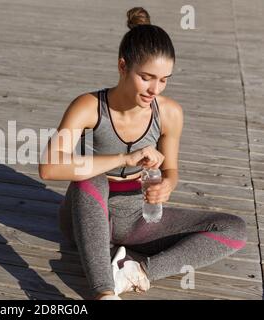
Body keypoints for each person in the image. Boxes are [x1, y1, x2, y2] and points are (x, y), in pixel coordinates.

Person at [38, 7, 247, 300]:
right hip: (85, 215)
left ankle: (139, 272)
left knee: (234, 229)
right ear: (123, 67)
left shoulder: (170, 113)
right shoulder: (88, 106)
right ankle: (104, 293)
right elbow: (49, 168)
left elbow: (171, 170)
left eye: (163, 79)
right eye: (147, 77)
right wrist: (124, 159)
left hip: (138, 219)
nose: (154, 89)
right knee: (93, 178)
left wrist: (167, 185)